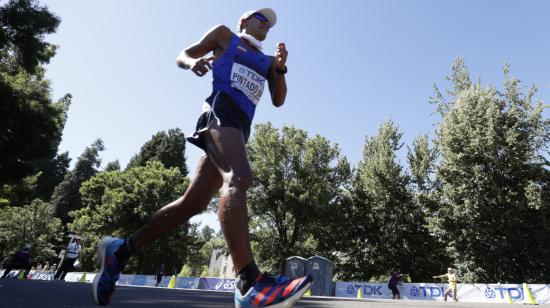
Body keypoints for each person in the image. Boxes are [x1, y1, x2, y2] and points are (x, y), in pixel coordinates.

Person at [91, 7, 312, 307]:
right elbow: (183, 53)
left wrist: (282, 69)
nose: (265, 27)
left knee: (192, 204)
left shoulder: (269, 61)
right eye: (261, 20)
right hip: (219, 113)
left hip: (239, 129)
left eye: (269, 26)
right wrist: (193, 61)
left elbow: (278, 100)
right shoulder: (225, 36)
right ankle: (249, 281)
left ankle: (120, 251)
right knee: (239, 178)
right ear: (244, 21)